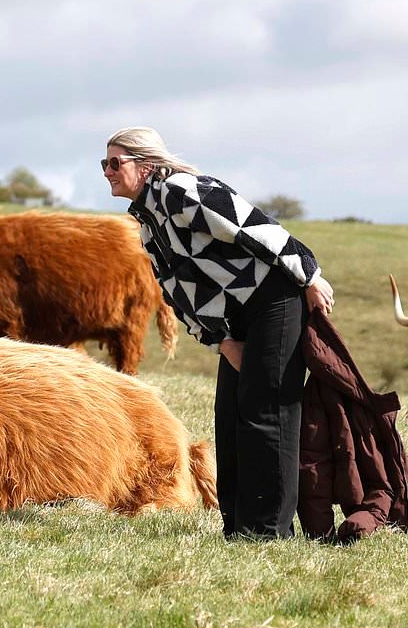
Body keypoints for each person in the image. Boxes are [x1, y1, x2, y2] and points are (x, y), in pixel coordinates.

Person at [103, 126, 335, 541]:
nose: (107, 171)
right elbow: (176, 292)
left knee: (267, 411)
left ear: (146, 164)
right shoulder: (147, 222)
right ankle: (238, 527)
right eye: (104, 163)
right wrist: (222, 342)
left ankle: (267, 533)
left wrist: (309, 275)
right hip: (239, 320)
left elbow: (255, 227)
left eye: (115, 162)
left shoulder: (181, 191)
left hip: (275, 298)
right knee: (229, 415)